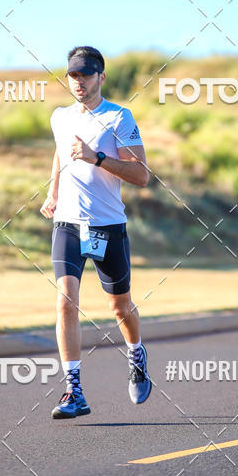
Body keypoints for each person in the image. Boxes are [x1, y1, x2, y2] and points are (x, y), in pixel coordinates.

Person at [40, 45, 152, 419]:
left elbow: (141, 175)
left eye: (86, 75)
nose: (79, 82)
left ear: (101, 77)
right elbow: (61, 153)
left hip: (107, 226)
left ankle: (136, 353)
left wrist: (98, 157)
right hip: (69, 224)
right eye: (73, 75)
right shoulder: (60, 117)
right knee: (64, 300)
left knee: (119, 307)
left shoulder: (119, 117)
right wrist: (53, 192)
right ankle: (74, 392)